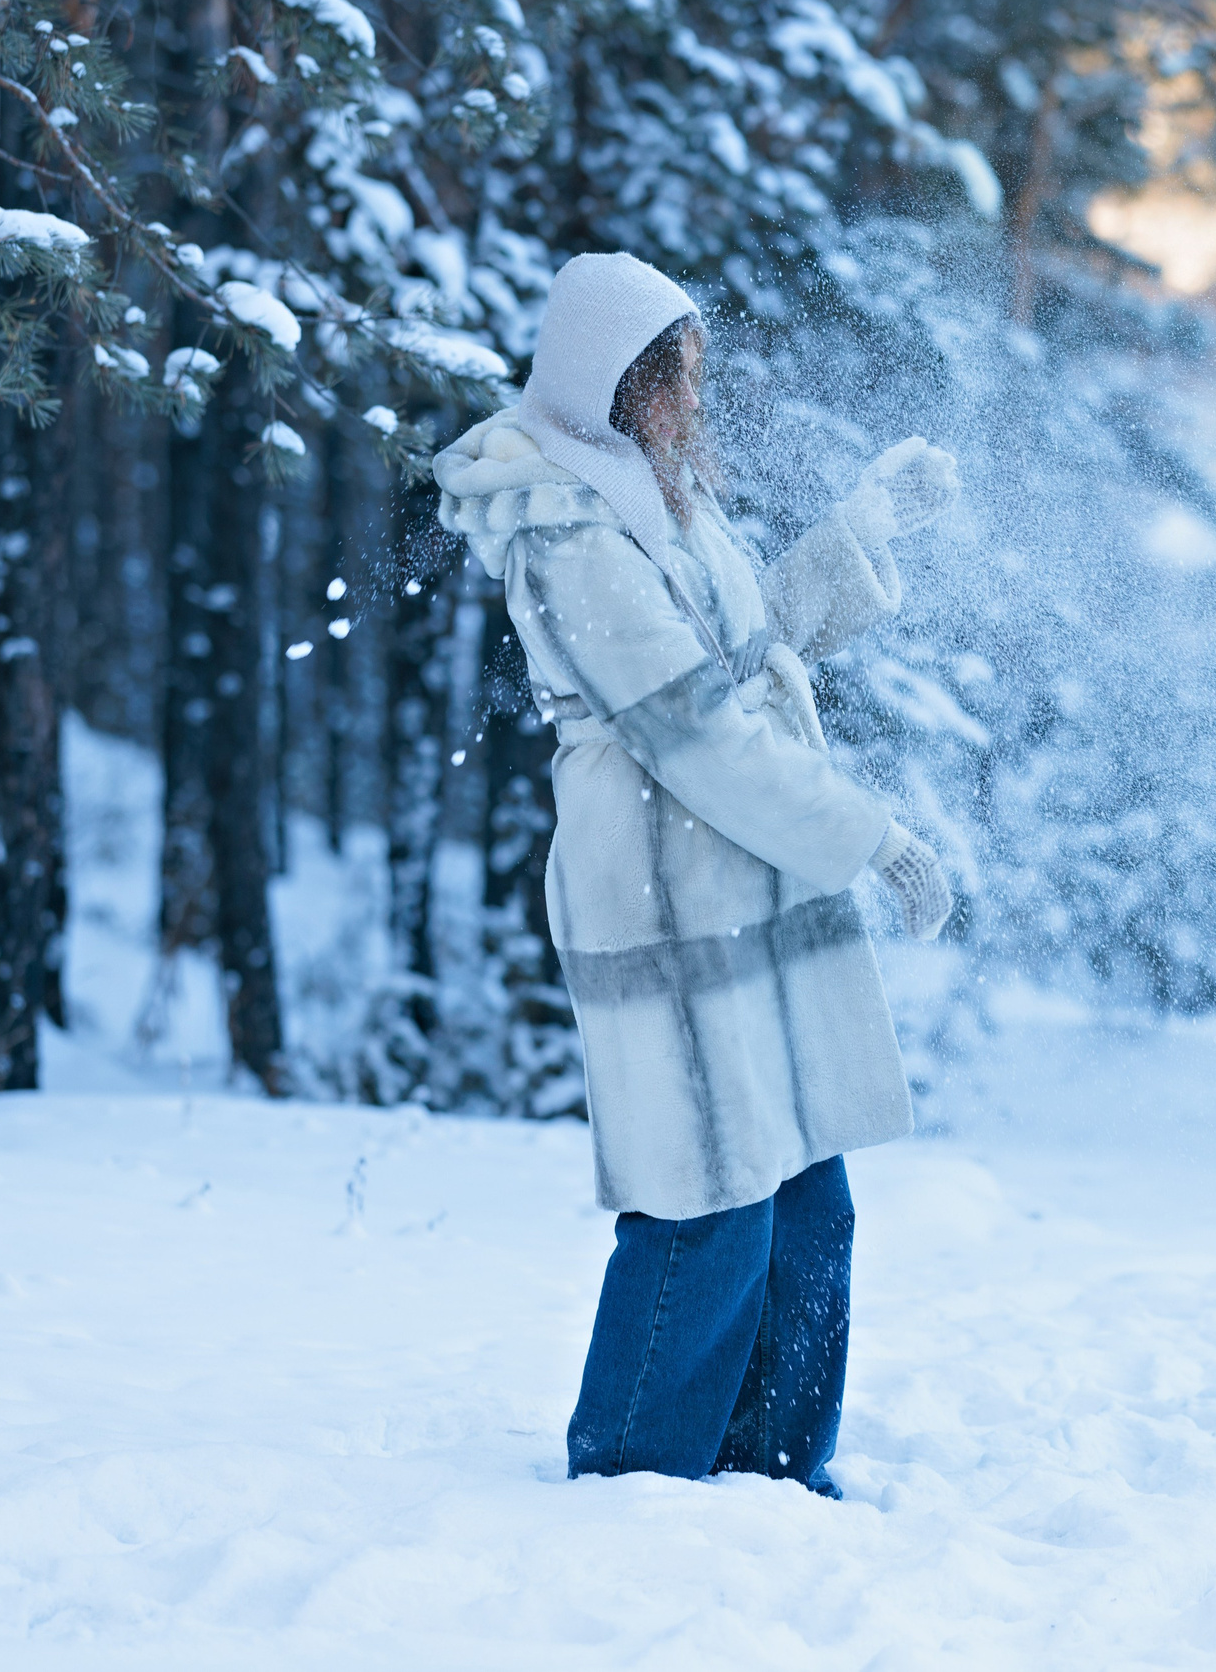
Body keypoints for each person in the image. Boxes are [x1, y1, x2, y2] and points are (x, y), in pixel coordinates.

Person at [433, 252, 960, 1497]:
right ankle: (635, 1480)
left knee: (806, 1200)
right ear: (614, 381)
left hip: (747, 886)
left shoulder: (655, 497)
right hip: (668, 899)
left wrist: (852, 538)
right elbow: (695, 729)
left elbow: (745, 649)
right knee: (706, 1201)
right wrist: (870, 836)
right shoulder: (561, 525)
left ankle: (773, 1475)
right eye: (673, 373)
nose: (691, 397)